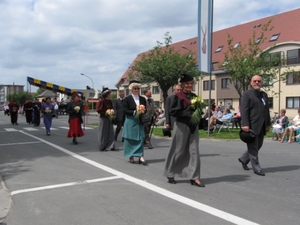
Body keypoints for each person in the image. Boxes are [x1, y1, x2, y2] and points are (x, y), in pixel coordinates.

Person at [163, 74, 205, 187]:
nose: (189, 85)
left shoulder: (194, 96)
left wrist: (198, 112)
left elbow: (198, 110)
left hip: (193, 126)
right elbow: (174, 111)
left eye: (191, 83)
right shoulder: (177, 96)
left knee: (194, 151)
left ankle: (195, 177)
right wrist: (188, 113)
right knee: (178, 150)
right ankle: (170, 173)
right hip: (181, 125)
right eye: (187, 83)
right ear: (182, 85)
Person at [238, 75, 271, 176]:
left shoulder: (264, 95)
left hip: (262, 125)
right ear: (251, 83)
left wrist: (268, 123)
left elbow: (266, 110)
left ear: (261, 83)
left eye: (259, 81)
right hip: (252, 125)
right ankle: (256, 168)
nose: (257, 83)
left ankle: (244, 159)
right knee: (253, 147)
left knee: (258, 145)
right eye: (255, 81)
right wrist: (245, 124)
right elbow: (244, 110)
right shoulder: (247, 94)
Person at [122, 80, 148, 165]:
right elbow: (125, 110)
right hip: (130, 120)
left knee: (140, 138)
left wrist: (142, 111)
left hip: (139, 121)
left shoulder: (142, 99)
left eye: (137, 88)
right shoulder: (127, 99)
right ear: (131, 89)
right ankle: (131, 155)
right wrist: (134, 112)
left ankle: (141, 156)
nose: (136, 90)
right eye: (134, 88)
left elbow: (146, 109)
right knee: (130, 139)